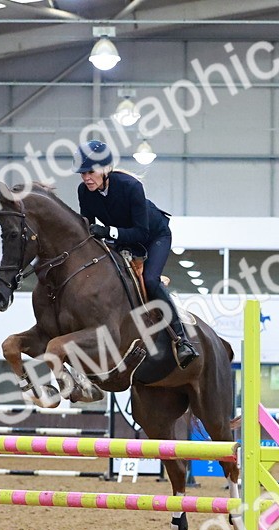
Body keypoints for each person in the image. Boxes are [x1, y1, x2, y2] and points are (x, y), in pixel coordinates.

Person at [74, 140, 198, 369]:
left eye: (90, 172)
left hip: (154, 237)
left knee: (150, 280)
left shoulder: (130, 186)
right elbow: (88, 229)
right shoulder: (84, 192)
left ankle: (182, 340)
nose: (86, 178)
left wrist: (108, 231)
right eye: (82, 174)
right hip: (123, 240)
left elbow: (141, 231)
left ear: (104, 169)